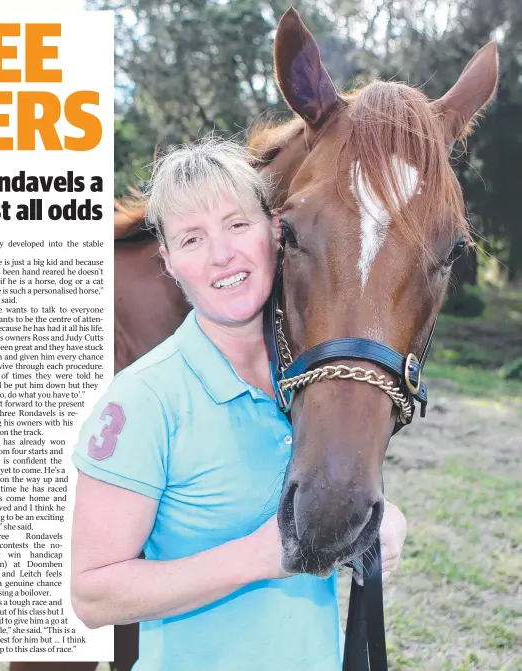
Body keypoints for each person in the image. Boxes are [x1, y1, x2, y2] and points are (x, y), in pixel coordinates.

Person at [70, 138, 407, 670]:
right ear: (171, 262)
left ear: (275, 231)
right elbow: (92, 596)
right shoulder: (144, 400)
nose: (220, 253)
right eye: (191, 239)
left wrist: (374, 519)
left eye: (236, 224)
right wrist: (257, 558)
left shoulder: (307, 382)